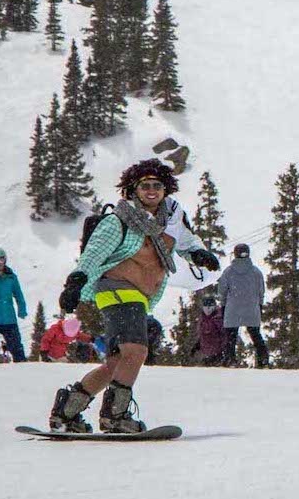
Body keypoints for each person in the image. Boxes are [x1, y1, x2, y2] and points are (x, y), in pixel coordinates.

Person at [46, 159, 220, 433]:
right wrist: (75, 283)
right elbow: (93, 254)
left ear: (166, 189)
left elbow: (186, 241)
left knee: (117, 362)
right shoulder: (119, 221)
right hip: (115, 288)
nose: (151, 190)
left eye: (157, 185)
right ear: (133, 189)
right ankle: (115, 415)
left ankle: (67, 412)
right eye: (145, 186)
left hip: (140, 295)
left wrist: (199, 254)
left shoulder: (171, 219)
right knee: (136, 351)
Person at [218, 243, 268, 368]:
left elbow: (222, 291)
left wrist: (224, 305)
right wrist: (259, 305)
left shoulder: (228, 272)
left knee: (230, 336)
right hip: (251, 307)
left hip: (233, 308)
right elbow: (261, 291)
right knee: (255, 335)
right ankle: (263, 360)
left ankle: (230, 360)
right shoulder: (256, 272)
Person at [196, 293, 226, 366]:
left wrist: (223, 351)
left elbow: (224, 335)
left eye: (210, 306)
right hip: (207, 353)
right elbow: (201, 334)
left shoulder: (218, 319)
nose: (208, 309)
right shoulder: (202, 319)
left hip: (218, 353)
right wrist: (198, 344)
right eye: (205, 306)